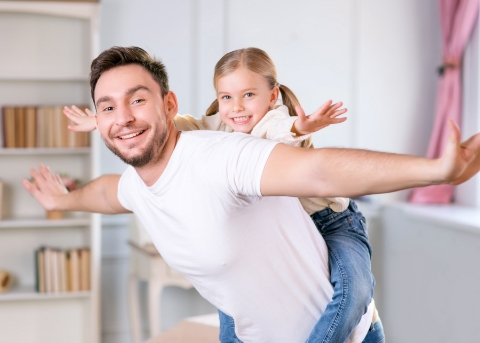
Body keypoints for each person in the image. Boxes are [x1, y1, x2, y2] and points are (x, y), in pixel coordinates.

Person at [23, 46, 480, 343]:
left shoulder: (222, 155)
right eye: (108, 107)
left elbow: (319, 171)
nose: (122, 117)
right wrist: (62, 201)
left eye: (137, 99)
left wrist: (435, 171)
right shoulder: (139, 181)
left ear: (168, 105)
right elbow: (108, 193)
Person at [63, 47, 376, 343]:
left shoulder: (274, 120)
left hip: (333, 220)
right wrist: (107, 120)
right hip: (284, 234)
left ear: (272, 95)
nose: (237, 107)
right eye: (226, 97)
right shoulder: (219, 125)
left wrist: (299, 127)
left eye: (248, 95)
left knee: (356, 289)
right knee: (232, 299)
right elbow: (166, 121)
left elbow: (282, 135)